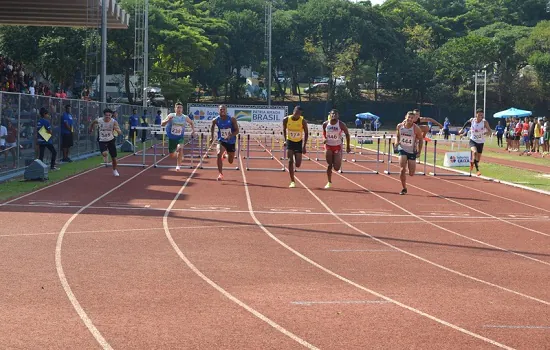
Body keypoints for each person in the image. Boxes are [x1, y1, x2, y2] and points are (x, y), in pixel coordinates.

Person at [395, 111, 424, 195]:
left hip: (412, 151)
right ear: (405, 117)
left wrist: (419, 151)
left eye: (412, 118)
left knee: (411, 173)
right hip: (402, 149)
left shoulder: (416, 128)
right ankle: (404, 188)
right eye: (409, 117)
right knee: (402, 169)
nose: (410, 119)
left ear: (414, 119)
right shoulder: (399, 126)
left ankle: (409, 165)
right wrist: (397, 142)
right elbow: (397, 135)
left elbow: (421, 139)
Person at [162, 102, 195, 171]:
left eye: (180, 107)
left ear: (182, 109)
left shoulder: (185, 117)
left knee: (180, 148)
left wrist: (193, 131)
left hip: (180, 137)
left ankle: (178, 166)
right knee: (171, 155)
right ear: (175, 108)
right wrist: (168, 120)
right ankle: (179, 156)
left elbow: (191, 122)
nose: (179, 109)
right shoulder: (171, 115)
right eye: (177, 107)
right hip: (171, 138)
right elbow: (162, 124)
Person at [89, 108, 123, 177]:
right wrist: (91, 128)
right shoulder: (99, 120)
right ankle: (105, 150)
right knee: (105, 153)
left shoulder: (114, 122)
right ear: (104, 115)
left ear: (111, 115)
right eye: (106, 115)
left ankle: (115, 170)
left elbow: (120, 132)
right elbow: (93, 122)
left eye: (109, 115)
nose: (107, 117)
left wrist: (117, 130)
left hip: (111, 140)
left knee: (114, 158)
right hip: (102, 140)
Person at [322, 109, 351, 189]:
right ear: (330, 115)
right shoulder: (325, 124)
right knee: (329, 164)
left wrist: (348, 146)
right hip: (328, 145)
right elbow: (324, 133)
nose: (334, 115)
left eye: (336, 114)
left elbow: (347, 134)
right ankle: (329, 182)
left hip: (337, 145)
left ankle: (338, 157)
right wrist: (324, 138)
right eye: (332, 113)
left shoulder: (341, 124)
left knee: (337, 168)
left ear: (338, 115)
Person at [459, 108, 492, 176]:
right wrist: (462, 129)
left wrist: (486, 133)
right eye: (479, 115)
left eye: (482, 115)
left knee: (478, 158)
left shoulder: (484, 122)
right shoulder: (472, 120)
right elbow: (466, 123)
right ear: (476, 114)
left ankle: (472, 163)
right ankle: (477, 170)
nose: (481, 116)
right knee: (474, 152)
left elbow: (490, 131)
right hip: (473, 140)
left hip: (481, 142)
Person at [210, 104, 239, 181]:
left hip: (231, 141)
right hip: (221, 140)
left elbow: (237, 130)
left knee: (231, 161)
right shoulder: (215, 120)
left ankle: (226, 155)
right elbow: (212, 127)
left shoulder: (232, 119)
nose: (222, 111)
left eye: (223, 109)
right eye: (220, 109)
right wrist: (211, 137)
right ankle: (220, 173)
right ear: (218, 111)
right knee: (218, 154)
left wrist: (231, 135)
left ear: (226, 110)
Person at [283, 106, 309, 188]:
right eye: (296, 112)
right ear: (293, 111)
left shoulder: (303, 121)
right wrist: (285, 140)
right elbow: (284, 129)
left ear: (300, 114)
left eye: (299, 113)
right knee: (290, 161)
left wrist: (304, 146)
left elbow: (306, 133)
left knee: (298, 165)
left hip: (298, 142)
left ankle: (296, 156)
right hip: (290, 141)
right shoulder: (286, 119)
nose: (297, 114)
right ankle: (292, 181)